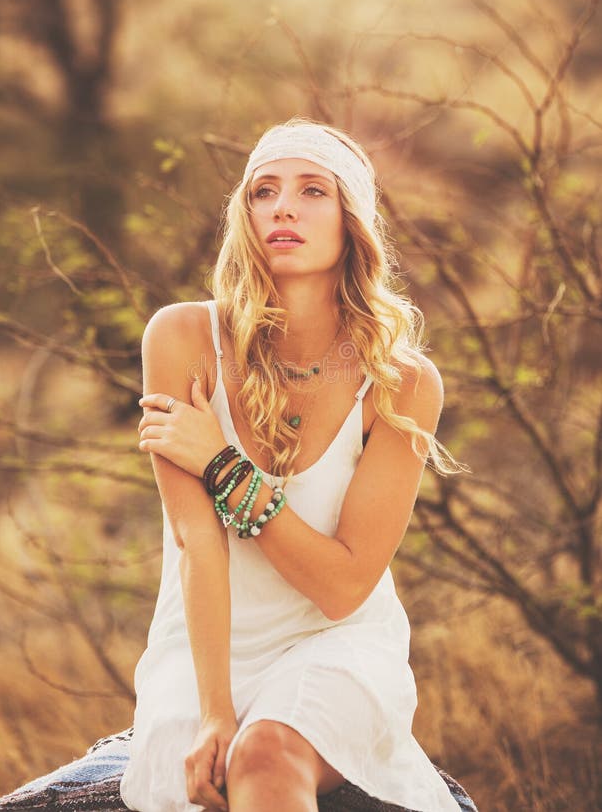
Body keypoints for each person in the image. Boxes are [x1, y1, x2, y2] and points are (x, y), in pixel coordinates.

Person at [120, 118, 465, 812]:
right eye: (262, 192)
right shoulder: (183, 336)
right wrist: (215, 708)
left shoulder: (401, 383)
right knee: (219, 758)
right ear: (244, 217)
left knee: (267, 754)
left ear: (352, 223)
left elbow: (341, 587)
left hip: (334, 643)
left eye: (312, 191)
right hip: (206, 646)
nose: (282, 207)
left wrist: (222, 464)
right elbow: (195, 540)